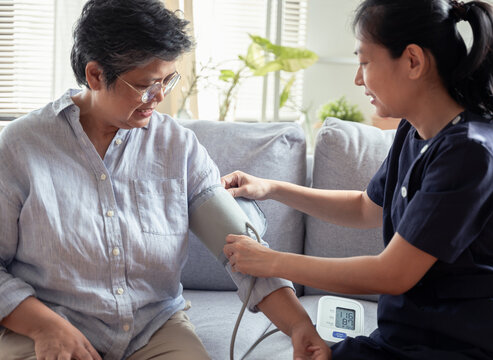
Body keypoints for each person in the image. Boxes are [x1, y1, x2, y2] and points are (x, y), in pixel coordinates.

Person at [0, 1, 330, 359]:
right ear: (95, 75)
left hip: (152, 329)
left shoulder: (177, 146)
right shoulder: (20, 147)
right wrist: (42, 325)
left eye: (167, 81)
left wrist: (299, 326)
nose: (158, 98)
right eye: (145, 85)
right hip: (52, 326)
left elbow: (241, 249)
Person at [222, 0, 493, 359]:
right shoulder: (414, 131)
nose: (358, 78)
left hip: (471, 343)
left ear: (413, 61)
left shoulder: (472, 152)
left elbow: (392, 273)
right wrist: (271, 188)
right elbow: (365, 207)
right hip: (413, 335)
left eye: (365, 62)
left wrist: (270, 261)